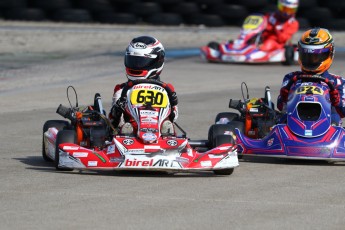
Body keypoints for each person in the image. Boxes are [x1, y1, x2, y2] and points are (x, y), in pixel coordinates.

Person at [109, 35, 178, 135]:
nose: (136, 66)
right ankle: (128, 130)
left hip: (161, 132)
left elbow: (174, 116)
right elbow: (113, 120)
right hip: (129, 133)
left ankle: (165, 130)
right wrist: (117, 110)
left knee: (167, 123)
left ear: (157, 61)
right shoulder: (121, 89)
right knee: (121, 126)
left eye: (141, 62)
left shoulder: (167, 89)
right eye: (133, 61)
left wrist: (171, 112)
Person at [277, 27, 345, 124]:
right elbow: (280, 107)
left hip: (327, 127)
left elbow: (342, 112)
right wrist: (284, 97)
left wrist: (337, 102)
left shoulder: (338, 82)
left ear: (329, 53)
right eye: (306, 56)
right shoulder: (291, 78)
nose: (310, 61)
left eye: (315, 57)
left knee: (334, 119)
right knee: (281, 119)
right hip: (293, 123)